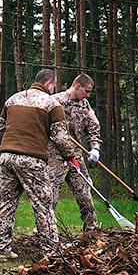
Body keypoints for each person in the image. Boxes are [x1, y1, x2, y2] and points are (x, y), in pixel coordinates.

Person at [0, 68, 76, 260]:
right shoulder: (52, 104)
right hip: (32, 159)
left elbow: (2, 127)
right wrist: (69, 157)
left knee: (6, 203)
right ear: (49, 83)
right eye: (54, 84)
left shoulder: (12, 100)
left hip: (6, 157)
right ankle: (51, 252)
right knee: (43, 205)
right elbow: (60, 137)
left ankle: (2, 250)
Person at [49, 74, 102, 232]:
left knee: (85, 192)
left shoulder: (84, 105)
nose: (88, 95)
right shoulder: (55, 101)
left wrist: (95, 148)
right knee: (50, 195)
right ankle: (45, 232)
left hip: (76, 157)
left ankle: (91, 231)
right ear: (77, 86)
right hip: (55, 156)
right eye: (86, 91)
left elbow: (93, 126)